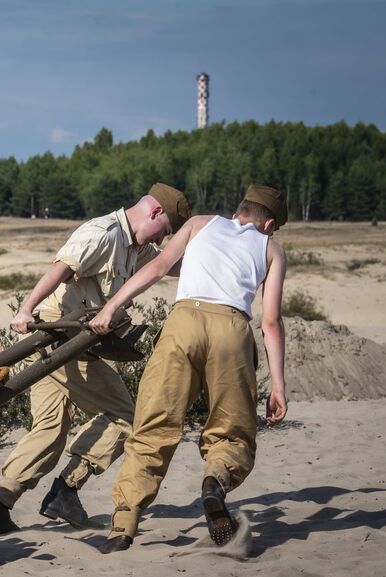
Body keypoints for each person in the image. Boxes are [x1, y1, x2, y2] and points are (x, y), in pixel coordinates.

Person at [0, 183, 191, 534]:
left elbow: (170, 265)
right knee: (124, 415)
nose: (162, 239)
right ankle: (66, 488)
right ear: (154, 212)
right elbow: (60, 268)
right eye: (164, 230)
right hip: (59, 338)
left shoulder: (136, 247)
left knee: (50, 428)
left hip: (69, 341)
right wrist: (25, 309)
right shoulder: (103, 234)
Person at [90, 185, 288, 553]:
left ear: (239, 211)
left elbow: (159, 266)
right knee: (232, 430)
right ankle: (215, 481)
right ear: (269, 224)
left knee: (154, 425)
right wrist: (278, 386)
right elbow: (271, 322)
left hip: (183, 324)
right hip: (232, 329)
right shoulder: (271, 249)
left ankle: (123, 526)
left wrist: (111, 306)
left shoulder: (199, 223)